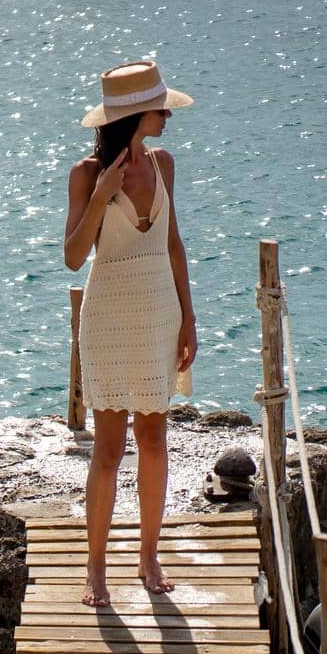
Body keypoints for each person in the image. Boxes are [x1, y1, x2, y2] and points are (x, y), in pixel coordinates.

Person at [63, 61, 199, 608]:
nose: (167, 114)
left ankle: (147, 553)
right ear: (134, 114)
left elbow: (173, 244)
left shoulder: (165, 164)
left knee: (153, 438)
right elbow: (74, 258)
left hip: (159, 312)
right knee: (108, 448)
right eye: (159, 107)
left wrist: (189, 317)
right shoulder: (84, 172)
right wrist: (102, 193)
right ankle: (95, 567)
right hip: (108, 317)